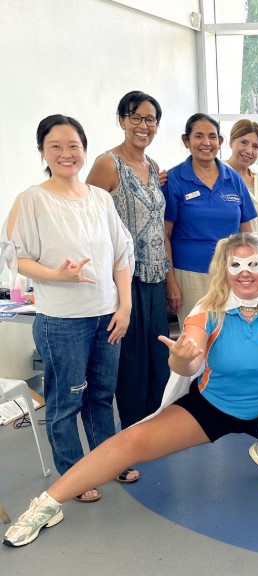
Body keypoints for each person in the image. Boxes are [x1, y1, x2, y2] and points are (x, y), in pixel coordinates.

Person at [3, 232, 258, 548]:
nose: (245, 273)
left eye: (253, 263)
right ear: (224, 268)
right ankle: (47, 504)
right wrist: (180, 359)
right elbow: (189, 365)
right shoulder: (207, 312)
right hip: (211, 406)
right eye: (236, 264)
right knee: (130, 441)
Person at [3, 114, 135, 504]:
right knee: (66, 401)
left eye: (73, 145)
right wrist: (55, 276)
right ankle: (74, 474)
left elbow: (122, 254)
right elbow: (17, 257)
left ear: (84, 149)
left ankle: (106, 462)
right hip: (61, 321)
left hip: (106, 314)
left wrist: (124, 305)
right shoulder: (32, 200)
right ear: (42, 151)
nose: (66, 153)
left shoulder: (99, 198)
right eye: (55, 146)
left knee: (101, 395)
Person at [86, 90, 171, 429]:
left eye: (150, 119)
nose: (142, 125)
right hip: (124, 279)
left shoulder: (153, 165)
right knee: (130, 362)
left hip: (155, 276)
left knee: (156, 356)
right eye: (134, 117)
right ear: (121, 120)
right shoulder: (108, 164)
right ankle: (134, 431)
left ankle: (156, 425)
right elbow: (87, 217)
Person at [162, 113, 257, 325]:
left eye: (212, 137)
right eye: (198, 136)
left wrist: (252, 270)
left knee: (231, 337)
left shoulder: (233, 179)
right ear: (186, 141)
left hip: (232, 273)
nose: (206, 143)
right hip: (189, 275)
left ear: (220, 142)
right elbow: (164, 236)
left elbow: (247, 233)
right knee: (196, 340)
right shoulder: (174, 179)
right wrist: (171, 282)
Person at [225, 119, 258, 243]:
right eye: (244, 142)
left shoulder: (257, 180)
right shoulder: (219, 175)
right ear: (231, 142)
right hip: (233, 254)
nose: (249, 150)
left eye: (255, 146)